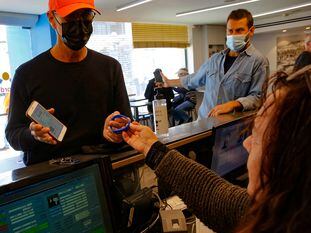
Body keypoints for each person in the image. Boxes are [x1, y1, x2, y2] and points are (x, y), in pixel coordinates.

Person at [122, 65, 311, 233]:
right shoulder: (276, 212)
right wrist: (151, 147)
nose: (247, 143)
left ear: (294, 164)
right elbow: (217, 198)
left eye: (259, 137)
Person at [5, 0, 132, 165]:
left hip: (101, 168)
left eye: (86, 16)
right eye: (71, 17)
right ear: (52, 19)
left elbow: (126, 121)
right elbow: (13, 134)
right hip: (53, 176)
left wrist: (116, 130)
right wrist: (33, 135)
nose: (80, 25)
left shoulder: (110, 67)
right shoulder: (26, 74)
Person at [162, 9, 269, 119]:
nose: (233, 35)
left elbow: (257, 98)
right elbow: (194, 79)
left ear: (251, 31)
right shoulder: (215, 59)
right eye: (230, 31)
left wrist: (233, 104)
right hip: (204, 122)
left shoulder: (258, 61)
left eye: (239, 30)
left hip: (231, 126)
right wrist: (169, 82)